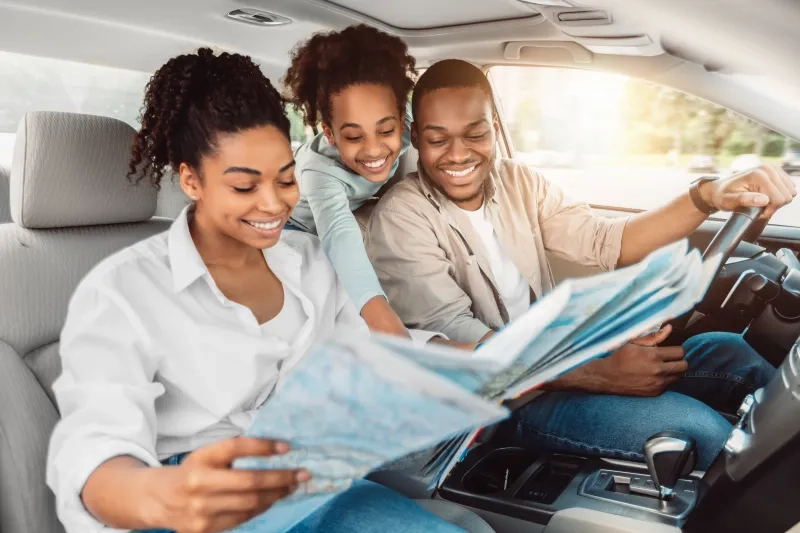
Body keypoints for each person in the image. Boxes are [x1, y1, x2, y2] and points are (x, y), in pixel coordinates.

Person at [46, 49, 467, 533]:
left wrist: (482, 357)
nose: (274, 203)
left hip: (311, 482)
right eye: (245, 187)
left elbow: (374, 347)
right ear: (191, 180)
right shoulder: (122, 289)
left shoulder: (309, 262)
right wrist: (162, 496)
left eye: (286, 179)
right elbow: (96, 446)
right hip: (194, 499)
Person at [365, 59, 794, 469]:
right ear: (415, 136)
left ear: (494, 129)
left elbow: (609, 240)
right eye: (438, 139)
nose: (458, 155)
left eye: (475, 134)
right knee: (702, 432)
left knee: (730, 353)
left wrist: (708, 196)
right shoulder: (401, 218)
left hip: (562, 356)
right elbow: (469, 356)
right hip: (504, 404)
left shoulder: (517, 181)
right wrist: (598, 372)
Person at [283, 24, 415, 337]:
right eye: (354, 136)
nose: (373, 149)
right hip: (297, 229)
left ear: (402, 118)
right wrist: (381, 318)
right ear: (329, 133)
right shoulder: (317, 170)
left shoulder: (410, 124)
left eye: (385, 131)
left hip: (351, 211)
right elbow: (339, 237)